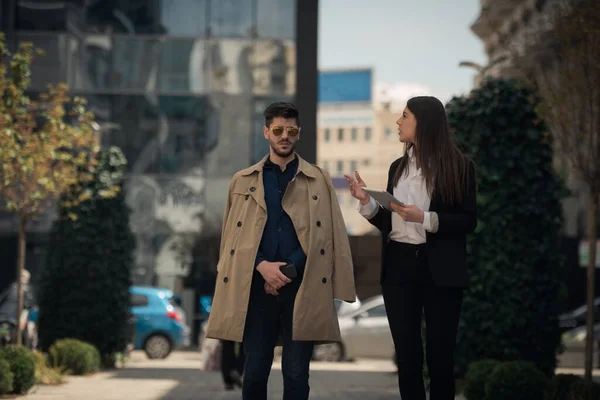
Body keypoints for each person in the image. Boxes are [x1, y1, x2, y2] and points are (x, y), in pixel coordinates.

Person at [206, 102, 356, 400]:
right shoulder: (242, 180)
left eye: (290, 130)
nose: (284, 136)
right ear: (266, 132)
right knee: (255, 372)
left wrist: (289, 269)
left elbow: (325, 236)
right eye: (277, 130)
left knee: (297, 374)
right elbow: (232, 241)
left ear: (298, 134)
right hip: (256, 289)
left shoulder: (319, 179)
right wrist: (262, 265)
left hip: (302, 288)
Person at [345, 96, 477, 400]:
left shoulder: (460, 167)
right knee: (407, 358)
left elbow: (469, 221)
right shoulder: (398, 168)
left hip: (440, 270)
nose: (398, 122)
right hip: (399, 267)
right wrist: (367, 202)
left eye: (404, 116)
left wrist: (426, 219)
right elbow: (392, 223)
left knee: (441, 359)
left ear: (423, 122)